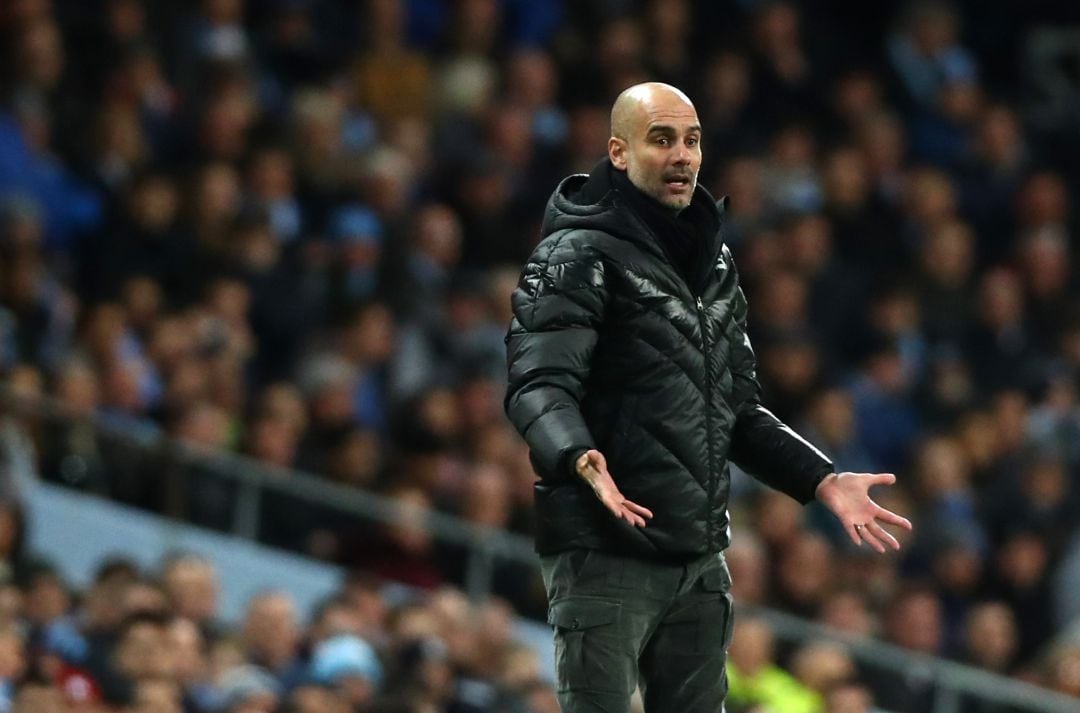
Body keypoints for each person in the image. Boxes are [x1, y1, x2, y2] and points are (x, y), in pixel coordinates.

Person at [503, 82, 912, 713]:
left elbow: (738, 409)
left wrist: (820, 479)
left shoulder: (714, 262)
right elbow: (538, 383)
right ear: (618, 152)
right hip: (605, 546)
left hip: (698, 557)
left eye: (692, 140)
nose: (684, 155)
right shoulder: (573, 254)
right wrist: (577, 455)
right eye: (661, 139)